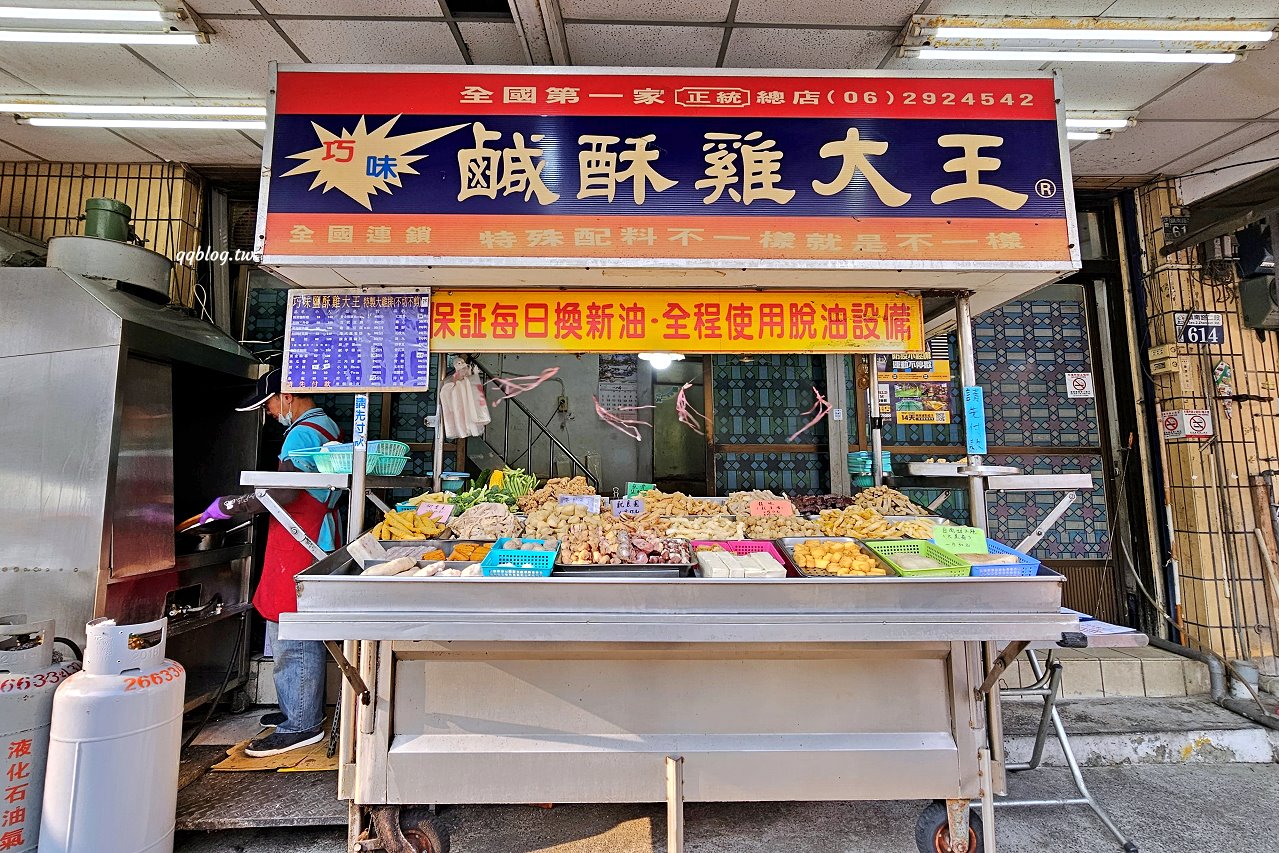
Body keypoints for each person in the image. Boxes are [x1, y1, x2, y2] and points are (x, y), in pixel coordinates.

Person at [199, 368, 343, 757]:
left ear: (288, 397)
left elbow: (286, 492)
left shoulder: (301, 432)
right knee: (293, 622)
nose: (270, 414)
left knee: (290, 626)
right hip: (311, 533)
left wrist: (233, 506)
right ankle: (296, 709)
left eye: (270, 405)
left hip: (299, 538)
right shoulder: (326, 424)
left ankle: (301, 722)